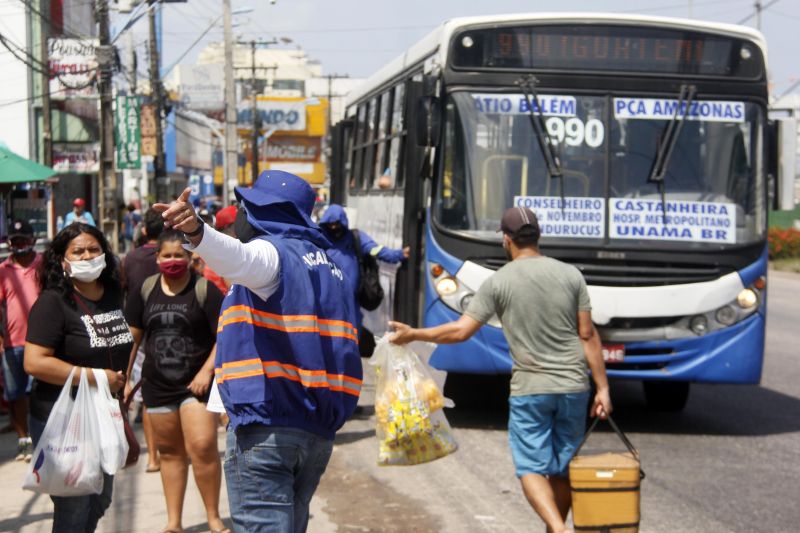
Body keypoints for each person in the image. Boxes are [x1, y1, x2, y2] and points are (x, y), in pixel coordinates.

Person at [155, 170, 362, 533]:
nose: (238, 215)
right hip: (316, 431)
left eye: (243, 207)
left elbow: (239, 258)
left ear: (264, 212)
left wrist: (196, 232)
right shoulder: (331, 266)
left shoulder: (273, 252)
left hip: (269, 427)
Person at [389, 206, 612, 533]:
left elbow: (460, 331)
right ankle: (557, 528)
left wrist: (414, 334)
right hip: (574, 386)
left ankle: (558, 529)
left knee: (531, 467)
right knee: (564, 467)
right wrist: (603, 388)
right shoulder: (570, 275)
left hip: (531, 388)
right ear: (537, 237)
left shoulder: (499, 282)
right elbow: (588, 334)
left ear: (506, 241)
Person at [24, 223, 133, 532]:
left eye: (94, 249)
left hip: (105, 413)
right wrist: (98, 377)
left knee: (100, 498)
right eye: (78, 251)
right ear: (63, 260)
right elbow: (34, 362)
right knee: (74, 505)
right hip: (61, 418)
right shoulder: (53, 302)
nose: (87, 256)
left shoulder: (113, 293)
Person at [125, 229, 226, 533]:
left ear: (190, 258)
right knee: (169, 453)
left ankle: (213, 516)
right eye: (166, 255)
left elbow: (225, 334)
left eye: (178, 255)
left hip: (196, 386)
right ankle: (174, 523)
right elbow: (133, 338)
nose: (172, 261)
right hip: (157, 385)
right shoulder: (145, 290)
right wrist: (125, 378)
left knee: (203, 446)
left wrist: (206, 371)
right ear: (157, 258)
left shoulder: (205, 290)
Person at [318, 203, 409, 357]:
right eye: (330, 224)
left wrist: (398, 255)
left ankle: (348, 353)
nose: (334, 228)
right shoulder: (319, 237)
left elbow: (375, 249)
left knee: (351, 326)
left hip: (349, 297)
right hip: (325, 295)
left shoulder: (355, 237)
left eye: (337, 224)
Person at [121, 207, 164, 473]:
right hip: (171, 328)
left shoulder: (130, 259)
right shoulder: (181, 253)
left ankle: (153, 457)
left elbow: (122, 291)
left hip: (140, 332)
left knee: (147, 396)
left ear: (145, 230)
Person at [0, 220, 42, 461]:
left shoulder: (43, 264)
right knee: (16, 395)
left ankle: (39, 437)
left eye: (23, 240)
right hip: (12, 343)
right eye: (15, 241)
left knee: (39, 392)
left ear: (32, 241)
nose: (19, 245)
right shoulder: (3, 270)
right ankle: (23, 439)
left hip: (41, 342)